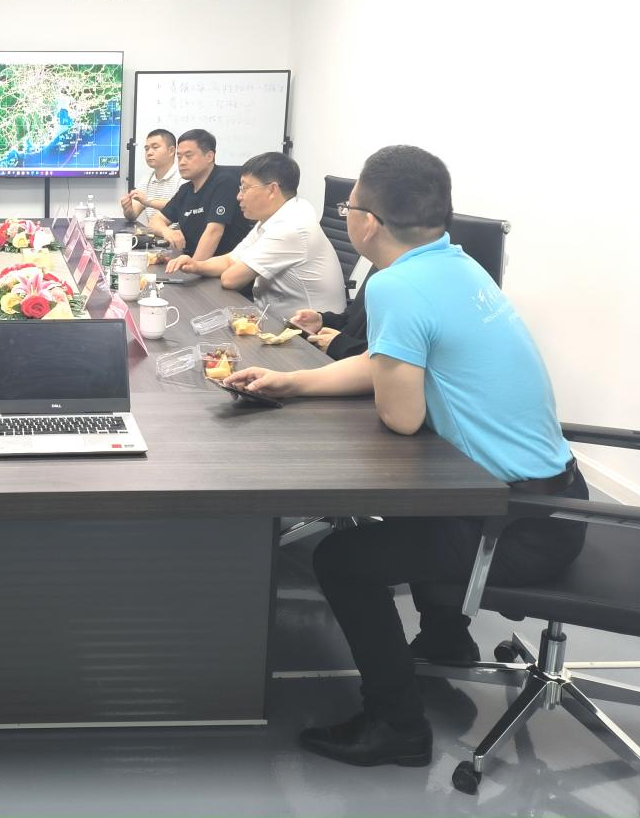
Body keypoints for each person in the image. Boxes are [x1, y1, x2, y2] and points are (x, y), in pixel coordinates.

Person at [227, 145, 588, 768]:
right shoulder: (456, 263)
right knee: (410, 512)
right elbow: (384, 360)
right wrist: (293, 381)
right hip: (559, 498)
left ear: (367, 222)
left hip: (515, 524)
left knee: (343, 558)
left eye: (348, 207)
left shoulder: (395, 284)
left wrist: (328, 387)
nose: (346, 215)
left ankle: (397, 726)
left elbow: (401, 416)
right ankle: (446, 637)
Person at [166, 152, 346, 319]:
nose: (239, 196)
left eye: (245, 188)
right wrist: (196, 265)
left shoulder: (291, 227)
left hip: (308, 331)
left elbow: (230, 279)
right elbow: (230, 260)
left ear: (272, 190)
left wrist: (213, 267)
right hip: (274, 318)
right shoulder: (277, 215)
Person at [153, 129, 250, 261]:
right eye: (179, 157)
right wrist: (167, 232)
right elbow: (156, 221)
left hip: (222, 266)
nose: (182, 162)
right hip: (192, 260)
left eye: (189, 156)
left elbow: (214, 231)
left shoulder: (225, 182)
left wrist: (193, 267)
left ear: (209, 156)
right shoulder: (185, 190)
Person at [287, 267, 376, 359]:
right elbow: (351, 319)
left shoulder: (383, 276)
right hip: (336, 358)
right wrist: (323, 321)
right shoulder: (379, 271)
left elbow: (383, 360)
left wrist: (339, 345)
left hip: (351, 364)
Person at [120, 128, 180, 229]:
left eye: (155, 147)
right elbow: (132, 215)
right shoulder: (146, 179)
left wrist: (148, 201)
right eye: (147, 149)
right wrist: (128, 209)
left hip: (176, 236)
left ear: (171, 151)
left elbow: (181, 207)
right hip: (154, 236)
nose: (149, 153)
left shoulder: (183, 177)